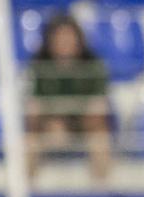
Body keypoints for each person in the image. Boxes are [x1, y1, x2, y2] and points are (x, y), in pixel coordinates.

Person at [27, 14, 111, 182]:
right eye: (59, 37)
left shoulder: (93, 66)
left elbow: (98, 108)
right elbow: (34, 108)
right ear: (50, 41)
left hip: (85, 125)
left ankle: (102, 193)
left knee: (100, 139)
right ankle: (27, 195)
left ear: (79, 39)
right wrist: (53, 121)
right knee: (29, 142)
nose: (65, 42)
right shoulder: (40, 67)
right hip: (50, 125)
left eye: (69, 36)